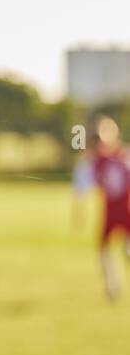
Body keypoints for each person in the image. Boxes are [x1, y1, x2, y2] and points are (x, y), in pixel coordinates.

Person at [72, 115, 130, 299]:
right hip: (110, 212)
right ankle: (113, 286)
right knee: (103, 251)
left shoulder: (124, 156)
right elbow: (80, 188)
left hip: (127, 210)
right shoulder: (92, 162)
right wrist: (78, 212)